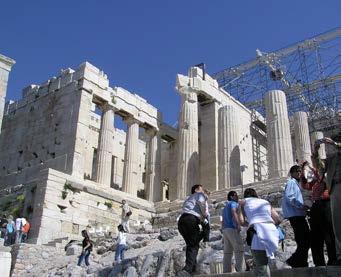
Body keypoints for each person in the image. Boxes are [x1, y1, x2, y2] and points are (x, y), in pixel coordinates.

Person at [301, 160, 336, 266]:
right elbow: (305, 185)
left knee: (328, 234)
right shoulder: (315, 182)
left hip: (326, 205)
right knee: (315, 235)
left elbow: (322, 177)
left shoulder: (327, 177)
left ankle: (333, 259)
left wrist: (313, 169)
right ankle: (319, 262)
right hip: (316, 206)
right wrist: (303, 171)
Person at [313, 135, 341, 265]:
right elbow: (320, 167)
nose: (329, 148)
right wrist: (316, 150)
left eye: (330, 145)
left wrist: (335, 143)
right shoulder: (331, 159)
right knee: (337, 223)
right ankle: (340, 255)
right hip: (335, 188)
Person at [241, 188, 280, 277]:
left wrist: (251, 223)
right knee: (263, 264)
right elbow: (277, 219)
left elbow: (241, 221)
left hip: (258, 233)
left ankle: (253, 262)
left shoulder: (243, 202)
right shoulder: (265, 202)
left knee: (262, 266)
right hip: (272, 233)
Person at [282, 165, 310, 268]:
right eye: (297, 171)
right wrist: (301, 206)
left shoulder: (297, 184)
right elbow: (290, 197)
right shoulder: (291, 182)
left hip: (299, 214)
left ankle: (301, 262)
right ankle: (294, 261)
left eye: (300, 171)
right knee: (304, 240)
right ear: (292, 173)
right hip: (295, 215)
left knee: (305, 240)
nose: (299, 173)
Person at [177, 184, 208, 276]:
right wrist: (205, 215)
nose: (203, 191)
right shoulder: (199, 195)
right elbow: (202, 206)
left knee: (191, 244)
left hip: (182, 221)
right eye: (201, 189)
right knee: (193, 245)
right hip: (191, 220)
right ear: (196, 190)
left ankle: (192, 268)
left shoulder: (189, 198)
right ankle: (187, 269)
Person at [222, 191, 245, 273]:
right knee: (239, 249)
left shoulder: (225, 207)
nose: (237, 197)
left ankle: (226, 271)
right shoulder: (233, 203)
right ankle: (241, 270)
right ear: (231, 196)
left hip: (225, 230)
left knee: (227, 252)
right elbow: (233, 211)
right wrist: (238, 224)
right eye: (235, 195)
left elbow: (223, 220)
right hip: (232, 228)